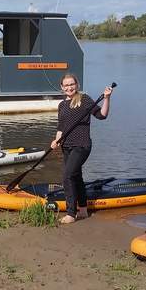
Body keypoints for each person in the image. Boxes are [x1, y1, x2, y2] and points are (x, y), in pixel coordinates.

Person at [50, 74, 113, 224]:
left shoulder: (84, 99)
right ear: (62, 88)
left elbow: (102, 115)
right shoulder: (62, 105)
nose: (69, 87)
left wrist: (107, 98)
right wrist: (56, 140)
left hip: (82, 145)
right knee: (76, 176)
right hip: (67, 146)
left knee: (67, 176)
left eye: (71, 84)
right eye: (66, 85)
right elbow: (61, 127)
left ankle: (71, 214)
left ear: (77, 85)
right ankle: (83, 209)